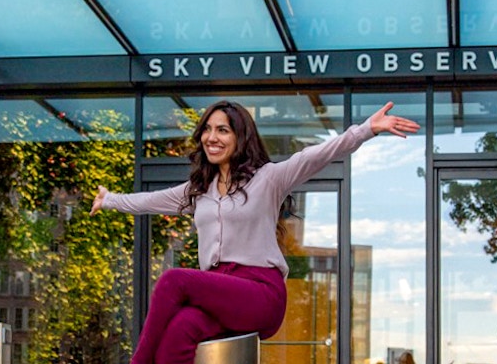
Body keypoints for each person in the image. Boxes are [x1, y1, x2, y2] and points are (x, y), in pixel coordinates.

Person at [91, 100, 420, 364]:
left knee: (172, 280)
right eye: (207, 129)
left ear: (239, 137)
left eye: (223, 130)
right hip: (219, 293)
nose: (212, 137)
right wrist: (109, 200)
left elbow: (318, 156)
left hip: (259, 293)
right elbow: (149, 200)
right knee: (181, 328)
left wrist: (366, 130)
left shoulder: (268, 179)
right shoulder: (198, 190)